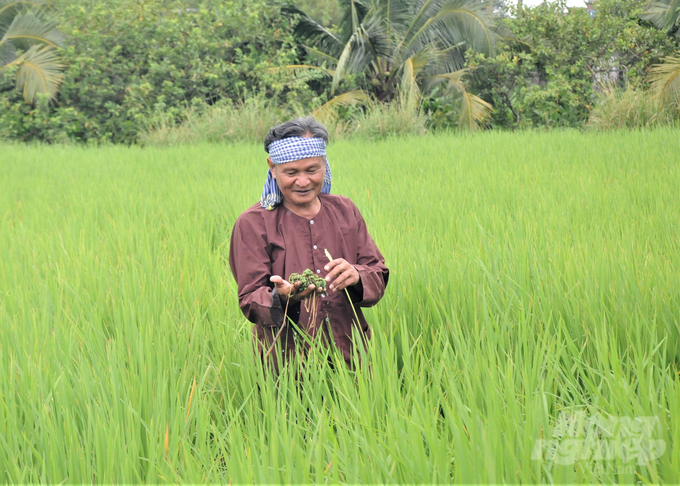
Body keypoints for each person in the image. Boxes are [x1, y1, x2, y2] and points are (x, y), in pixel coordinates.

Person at [229, 116, 389, 367]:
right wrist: (282, 297)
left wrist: (357, 276)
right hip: (286, 364)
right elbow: (250, 298)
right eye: (291, 172)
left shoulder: (345, 210)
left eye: (311, 170)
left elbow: (377, 272)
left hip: (351, 356)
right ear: (272, 167)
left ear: (325, 164)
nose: (302, 182)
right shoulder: (253, 223)